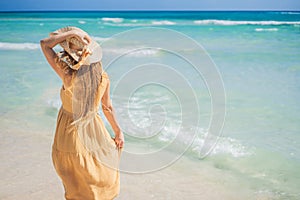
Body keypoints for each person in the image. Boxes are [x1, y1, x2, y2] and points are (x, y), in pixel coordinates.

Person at [40, 26, 124, 200]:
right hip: (93, 131)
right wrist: (118, 131)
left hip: (69, 133)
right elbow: (107, 107)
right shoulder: (103, 77)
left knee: (74, 182)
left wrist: (71, 35)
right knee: (96, 174)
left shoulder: (67, 75)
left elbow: (44, 45)